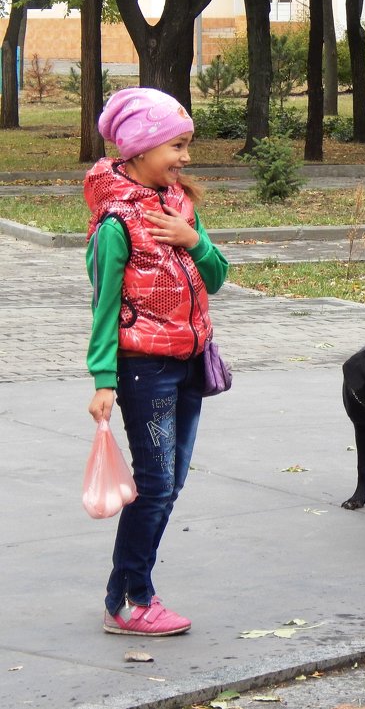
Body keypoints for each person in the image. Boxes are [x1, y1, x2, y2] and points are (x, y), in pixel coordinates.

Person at [85, 87, 229, 635]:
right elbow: (102, 304)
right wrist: (103, 378)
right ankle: (127, 599)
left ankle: (129, 591)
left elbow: (215, 277)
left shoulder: (180, 205)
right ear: (141, 149)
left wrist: (194, 240)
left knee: (170, 482)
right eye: (177, 145)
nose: (186, 157)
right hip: (144, 369)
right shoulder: (116, 223)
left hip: (191, 362)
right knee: (156, 484)